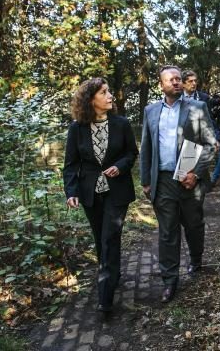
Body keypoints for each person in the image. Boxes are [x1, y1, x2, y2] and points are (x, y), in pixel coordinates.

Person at [140, 65, 217, 303]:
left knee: (193, 224)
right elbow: (146, 146)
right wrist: (145, 180)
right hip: (162, 181)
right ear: (161, 85)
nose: (176, 82)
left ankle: (196, 259)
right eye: (170, 79)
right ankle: (169, 280)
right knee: (167, 232)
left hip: (189, 179)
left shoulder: (197, 108)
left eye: (178, 79)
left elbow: (211, 144)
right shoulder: (151, 111)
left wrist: (196, 172)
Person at [63, 78, 138, 314]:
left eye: (109, 91)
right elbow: (70, 164)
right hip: (90, 194)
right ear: (90, 99)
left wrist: (120, 166)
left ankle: (105, 297)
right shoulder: (77, 128)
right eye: (104, 92)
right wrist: (72, 191)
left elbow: (131, 153)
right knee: (101, 239)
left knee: (109, 237)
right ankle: (111, 274)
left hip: (117, 191)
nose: (110, 96)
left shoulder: (121, 123)